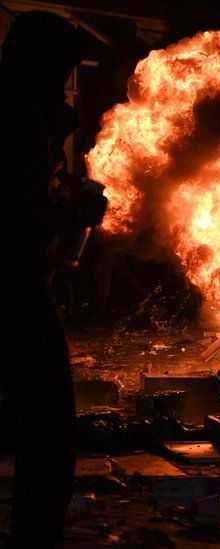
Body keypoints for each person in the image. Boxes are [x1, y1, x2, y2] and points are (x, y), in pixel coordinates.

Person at [0, 11, 106, 547]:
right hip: (12, 295)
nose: (67, 80)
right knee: (47, 435)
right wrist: (74, 216)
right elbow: (14, 214)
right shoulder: (19, 120)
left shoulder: (27, 115)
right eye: (63, 67)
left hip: (23, 288)